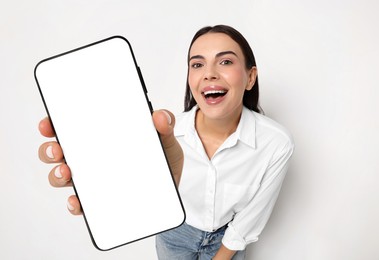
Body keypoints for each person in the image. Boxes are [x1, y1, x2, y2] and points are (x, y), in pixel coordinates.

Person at [38, 25, 294, 260]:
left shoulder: (275, 143)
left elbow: (251, 218)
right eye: (197, 65)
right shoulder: (164, 133)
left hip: (229, 240)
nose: (209, 74)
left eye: (225, 61)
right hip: (174, 234)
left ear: (250, 78)